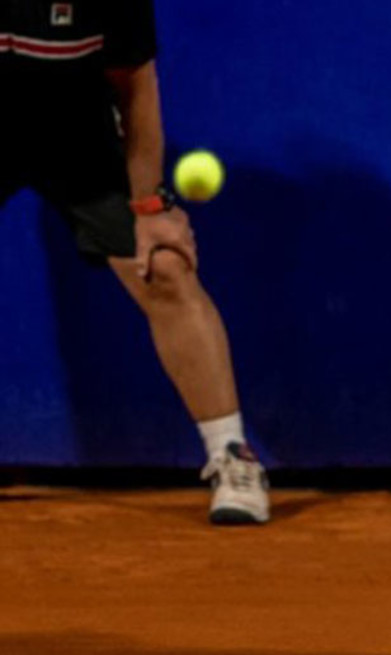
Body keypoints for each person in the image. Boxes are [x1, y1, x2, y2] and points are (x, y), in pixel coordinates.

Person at [0, 0, 270, 524]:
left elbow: (136, 86)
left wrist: (147, 209)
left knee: (164, 266)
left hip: (79, 139)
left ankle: (233, 458)